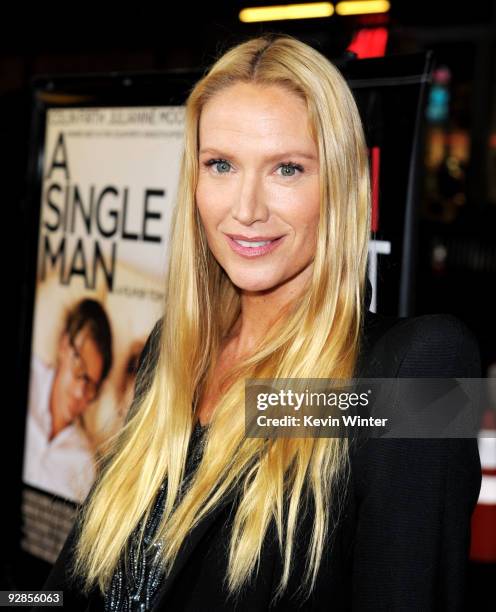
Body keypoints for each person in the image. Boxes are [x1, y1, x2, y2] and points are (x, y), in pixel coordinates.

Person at [33, 34, 481, 611]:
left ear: (341, 187)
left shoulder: (414, 372)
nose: (246, 208)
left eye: (287, 169)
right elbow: (71, 589)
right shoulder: (175, 350)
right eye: (220, 164)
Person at [23, 298, 113, 503]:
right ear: (64, 344)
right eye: (79, 369)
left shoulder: (84, 465)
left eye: (91, 385)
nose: (81, 392)